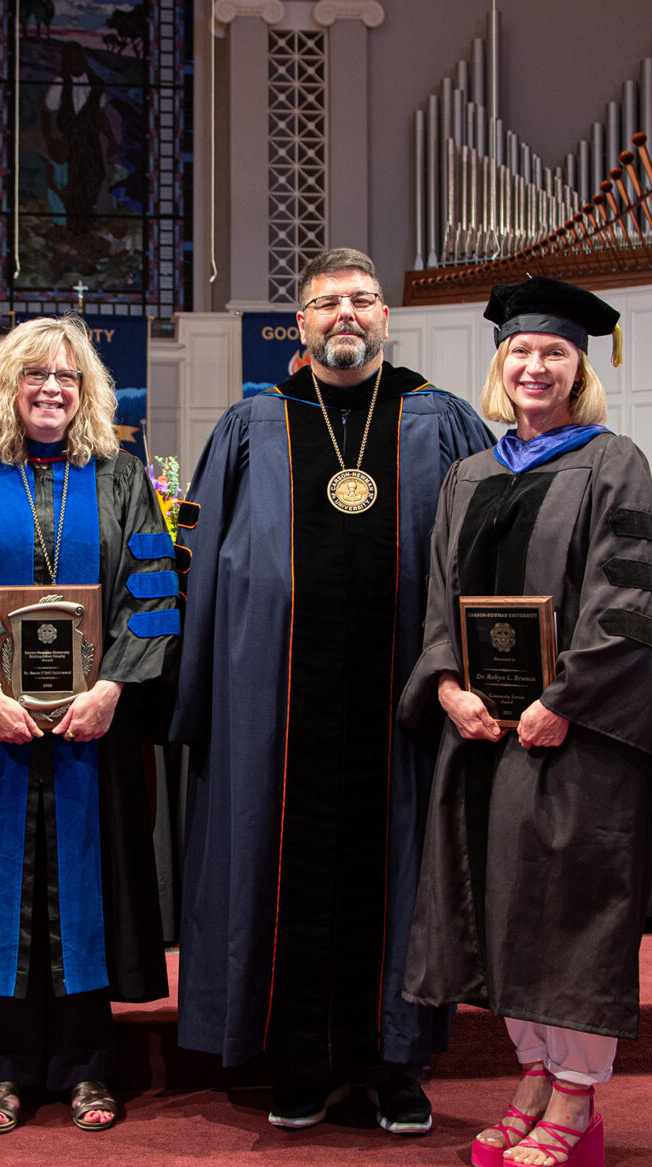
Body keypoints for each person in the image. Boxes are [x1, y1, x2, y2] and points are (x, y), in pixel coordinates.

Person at [171, 247, 491, 1134]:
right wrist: (196, 692)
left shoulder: (444, 421)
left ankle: (398, 1062)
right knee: (283, 860)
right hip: (276, 700)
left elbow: (487, 565)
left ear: (386, 317)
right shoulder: (251, 424)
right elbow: (193, 558)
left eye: (361, 299)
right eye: (325, 302)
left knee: (406, 870)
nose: (344, 313)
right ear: (300, 324)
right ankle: (298, 1057)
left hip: (409, 706)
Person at [399, 277, 652, 1167]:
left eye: (553, 351)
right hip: (482, 734)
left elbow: (625, 599)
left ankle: (579, 1095)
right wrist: (445, 685)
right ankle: (536, 1071)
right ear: (499, 364)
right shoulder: (472, 472)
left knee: (571, 909)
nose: (535, 365)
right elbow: (440, 596)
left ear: (580, 366)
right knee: (503, 903)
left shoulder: (614, 461)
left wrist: (564, 700)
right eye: (520, 351)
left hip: (577, 737)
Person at [0, 315, 178, 1133]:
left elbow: (155, 588)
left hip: (91, 730)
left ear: (88, 389)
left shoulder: (120, 477)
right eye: (35, 374)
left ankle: (87, 1065)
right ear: (8, 384)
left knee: (86, 885)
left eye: (67, 376)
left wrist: (111, 690)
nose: (51, 389)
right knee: (1, 881)